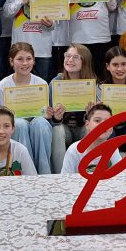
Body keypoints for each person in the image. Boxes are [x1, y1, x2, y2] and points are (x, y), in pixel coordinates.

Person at [0, 42, 53, 174]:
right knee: (20, 124)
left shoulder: (42, 84)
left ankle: (45, 173)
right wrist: (7, 116)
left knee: (40, 123)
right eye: (20, 59)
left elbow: (46, 113)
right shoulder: (2, 86)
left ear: (34, 60)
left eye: (28, 59)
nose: (25, 63)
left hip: (37, 122)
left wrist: (49, 113)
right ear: (11, 61)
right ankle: (26, 172)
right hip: (16, 125)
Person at [3, 0, 57, 81]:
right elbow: (6, 13)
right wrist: (19, 0)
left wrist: (50, 24)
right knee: (20, 84)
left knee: (41, 85)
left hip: (42, 49)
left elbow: (54, 23)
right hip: (20, 49)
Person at [49, 44, 96, 174]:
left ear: (85, 61)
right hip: (65, 129)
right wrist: (55, 118)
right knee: (57, 130)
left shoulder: (92, 83)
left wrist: (91, 114)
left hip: (82, 127)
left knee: (92, 128)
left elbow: (99, 118)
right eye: (68, 56)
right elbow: (48, 117)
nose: (70, 60)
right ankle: (61, 176)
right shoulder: (55, 82)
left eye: (75, 57)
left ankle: (88, 173)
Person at [61, 103, 121, 174]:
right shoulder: (74, 151)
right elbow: (66, 178)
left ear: (111, 129)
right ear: (87, 124)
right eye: (97, 120)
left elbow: (121, 176)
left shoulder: (113, 149)